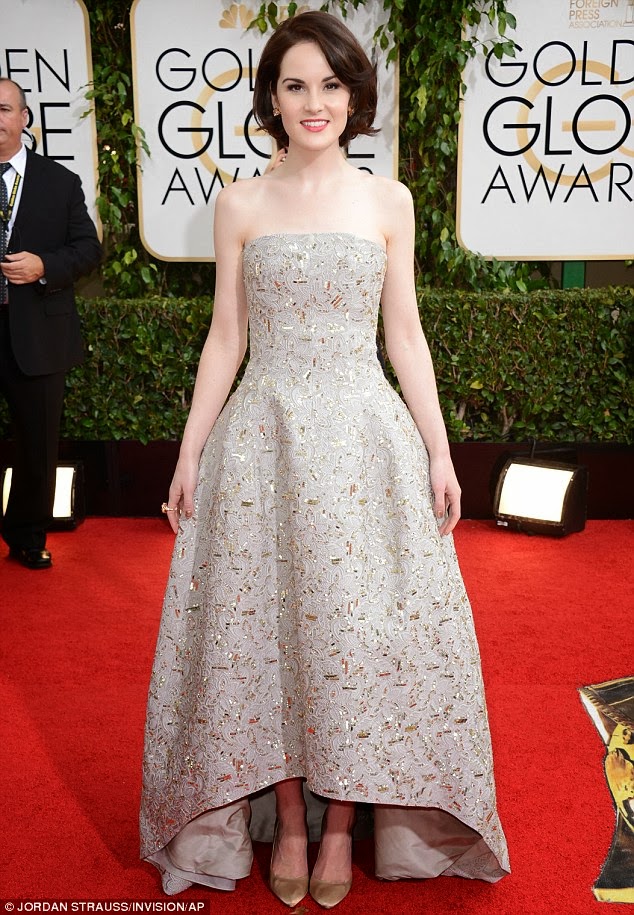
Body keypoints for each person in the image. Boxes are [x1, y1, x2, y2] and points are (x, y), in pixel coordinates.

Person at [140, 10, 509, 908]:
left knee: (355, 634)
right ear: (272, 97)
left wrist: (439, 451)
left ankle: (342, 823)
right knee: (266, 634)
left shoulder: (389, 202)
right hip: (261, 444)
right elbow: (225, 339)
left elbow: (406, 336)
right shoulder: (240, 203)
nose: (315, 102)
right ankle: (290, 820)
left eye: (332, 85)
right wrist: (189, 453)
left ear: (354, 96)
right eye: (296, 84)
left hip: (363, 445)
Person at [0, 77, 102, 569]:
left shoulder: (59, 182)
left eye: (3, 109)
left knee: (38, 444)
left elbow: (88, 250)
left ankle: (27, 534)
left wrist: (44, 266)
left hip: (37, 332)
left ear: (24, 119)